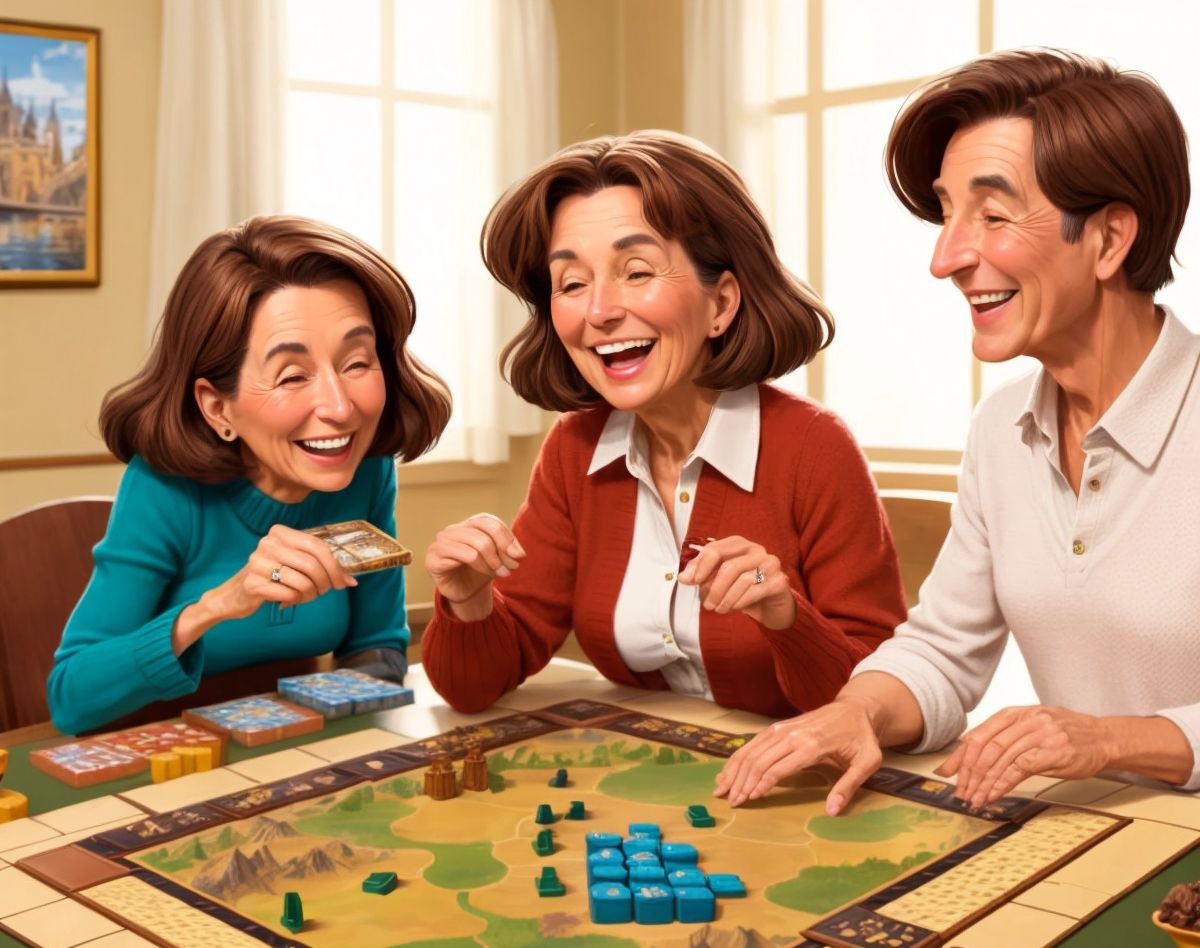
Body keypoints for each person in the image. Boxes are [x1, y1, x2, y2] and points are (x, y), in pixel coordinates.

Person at [716, 48, 1198, 813]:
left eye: (994, 214)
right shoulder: (1002, 424)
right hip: (1091, 843)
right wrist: (857, 711)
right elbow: (943, 649)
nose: (946, 257)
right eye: (947, 213)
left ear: (1110, 239)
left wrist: (1112, 740)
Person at [421, 131, 905, 717]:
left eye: (637, 271)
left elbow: (877, 696)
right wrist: (469, 598)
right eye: (572, 283)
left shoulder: (814, 446)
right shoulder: (575, 450)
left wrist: (783, 615)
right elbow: (474, 686)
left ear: (722, 304)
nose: (599, 312)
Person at [49, 216, 451, 734]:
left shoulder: (366, 468)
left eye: (356, 362)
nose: (339, 407)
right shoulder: (163, 488)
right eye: (292, 375)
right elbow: (71, 697)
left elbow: (375, 642)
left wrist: (360, 741)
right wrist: (219, 604)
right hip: (158, 755)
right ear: (217, 407)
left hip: (290, 756)